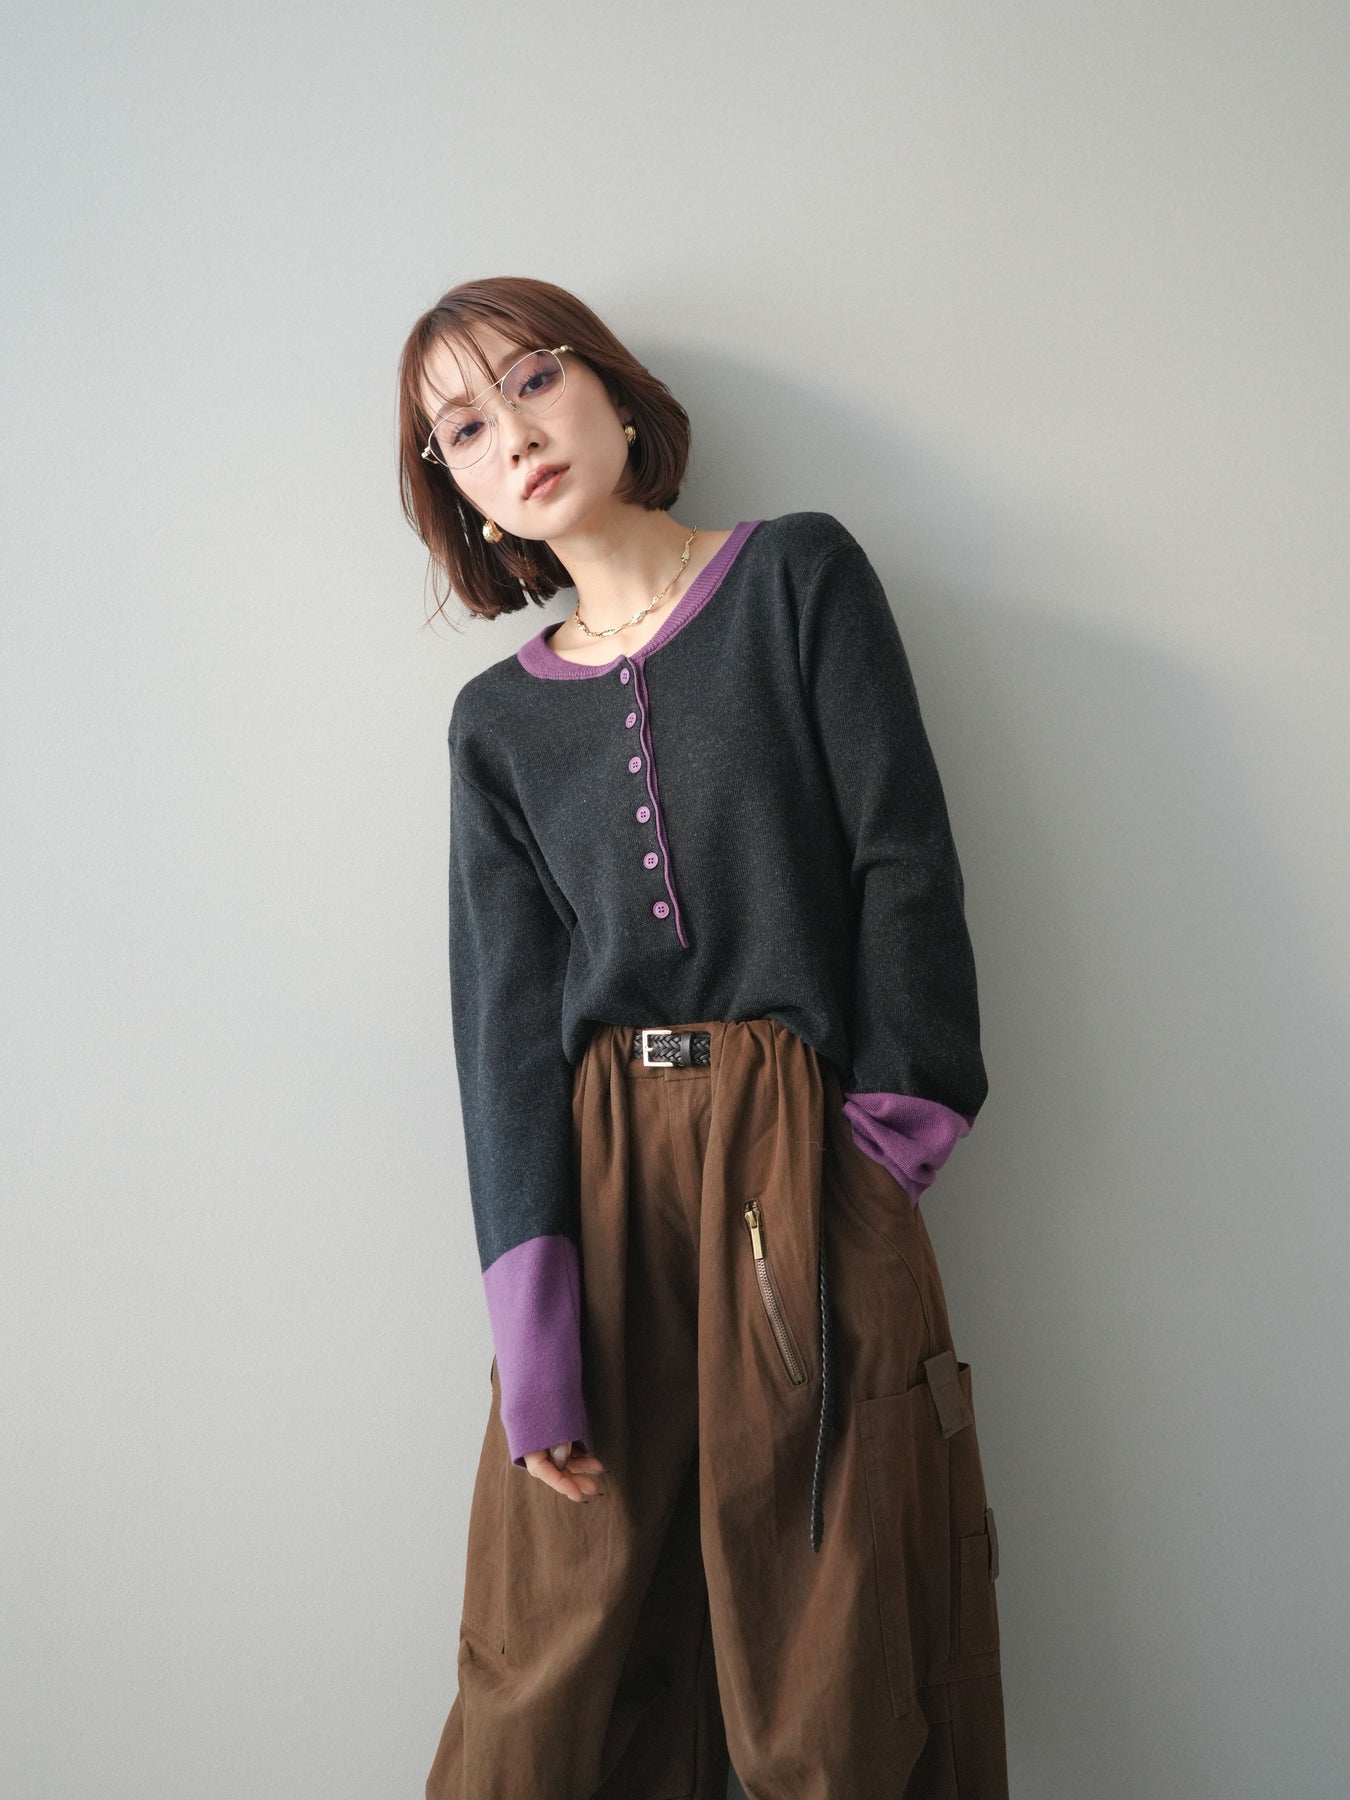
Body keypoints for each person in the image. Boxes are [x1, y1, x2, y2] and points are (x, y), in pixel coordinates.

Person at [397, 275, 1009, 1798]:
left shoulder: (797, 577)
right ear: (457, 492)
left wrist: (885, 1147)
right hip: (599, 1180)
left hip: (802, 1151)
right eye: (461, 430)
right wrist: (533, 1331)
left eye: (532, 381)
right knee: (553, 1671)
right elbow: (502, 1027)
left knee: (832, 1661)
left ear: (612, 391)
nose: (511, 437)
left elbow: (900, 860)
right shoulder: (495, 728)